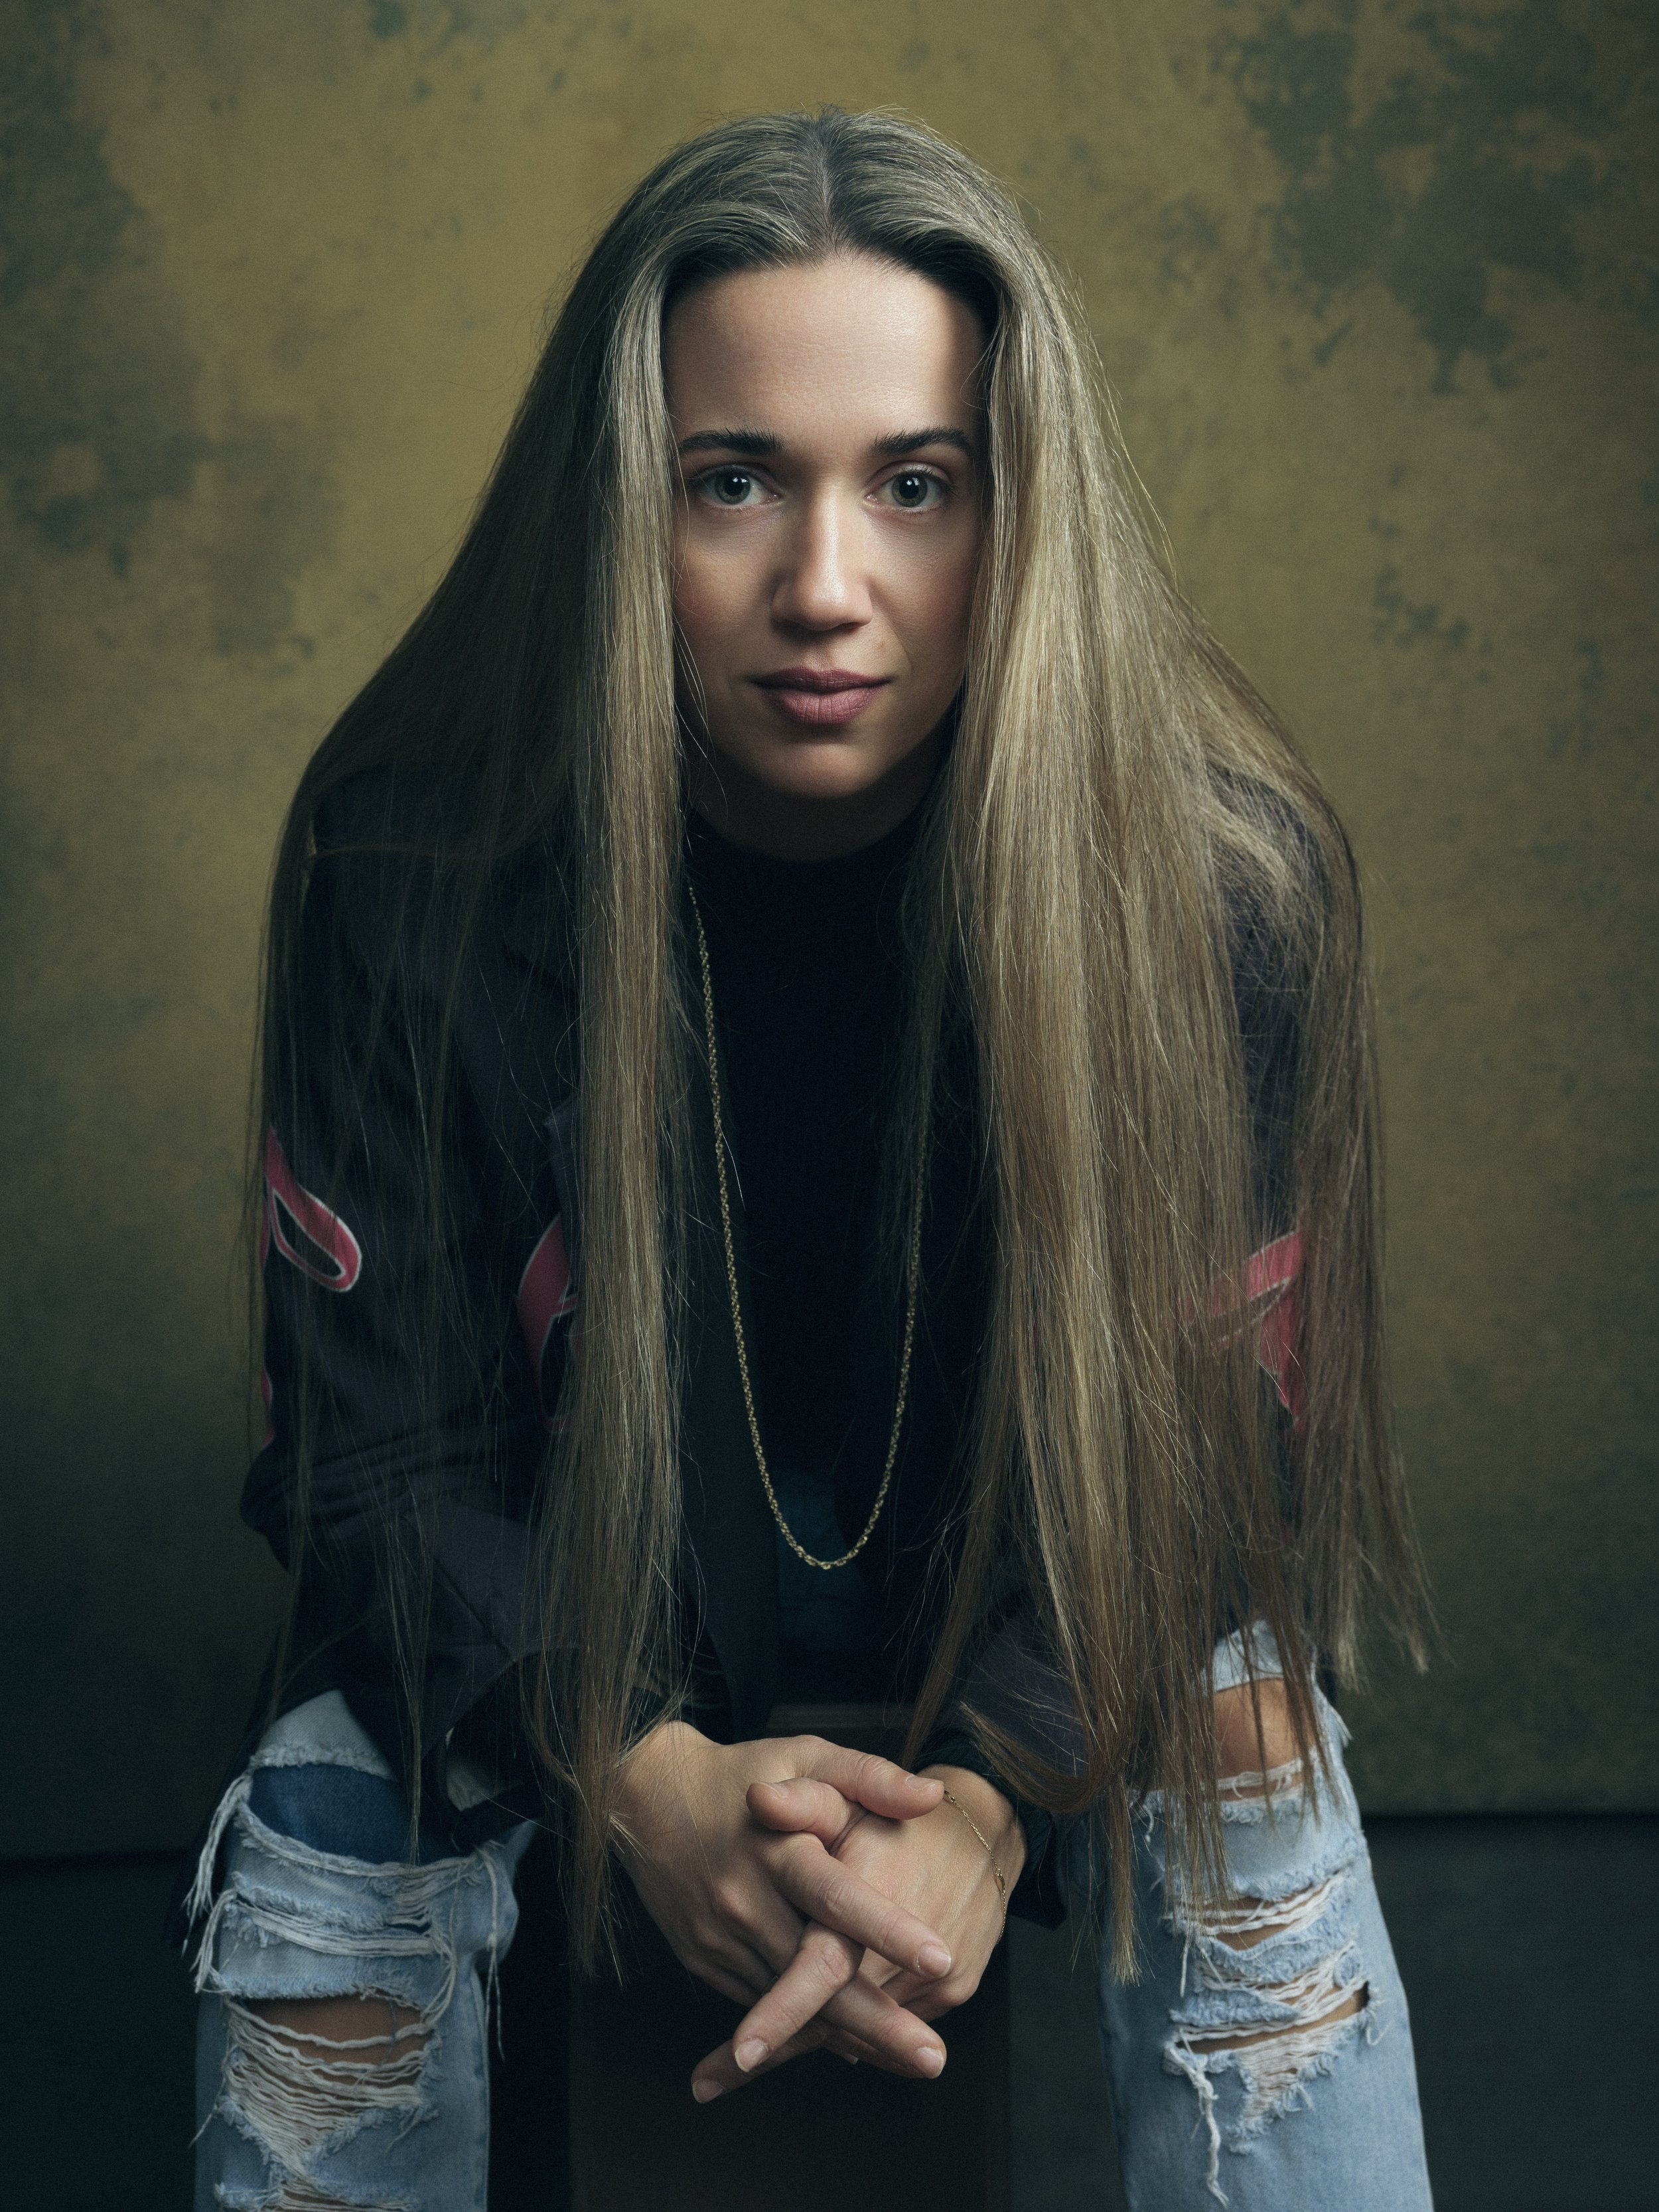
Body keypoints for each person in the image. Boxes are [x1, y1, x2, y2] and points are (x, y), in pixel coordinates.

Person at [184, 107, 1433, 2210]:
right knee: (330, 1795)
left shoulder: (1210, 882)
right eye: (732, 480)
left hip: (1037, 1625)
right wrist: (638, 1772)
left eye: (917, 486)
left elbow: (1222, 1459)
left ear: (1012, 507)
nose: (825, 589)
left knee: (1250, 1745)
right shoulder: (413, 863)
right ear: (621, 505)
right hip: (597, 1629)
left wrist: (989, 1802)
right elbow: (371, 1465)